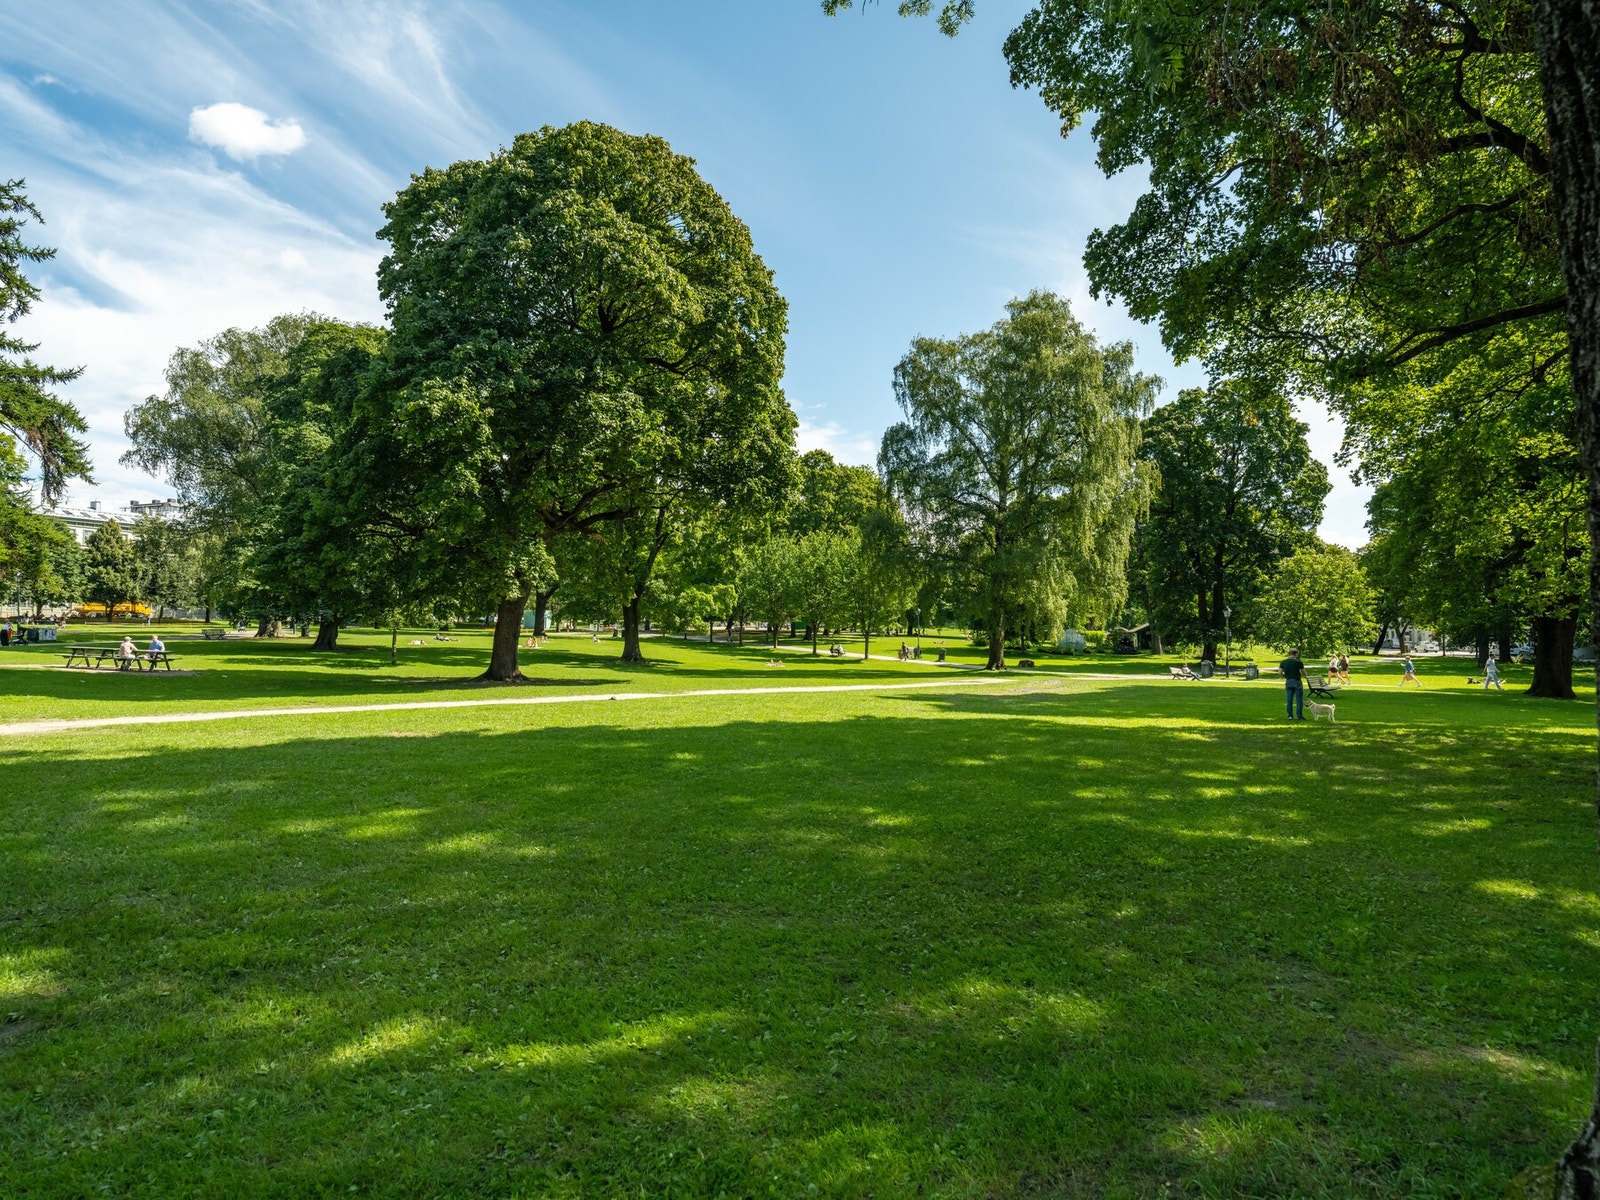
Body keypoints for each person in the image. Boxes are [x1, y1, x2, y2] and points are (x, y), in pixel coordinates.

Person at [1279, 647, 1307, 719]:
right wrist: (1305, 675)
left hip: (1288, 681)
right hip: (1297, 681)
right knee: (1299, 700)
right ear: (1295, 654)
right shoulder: (1298, 662)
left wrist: (1284, 676)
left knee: (1289, 700)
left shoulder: (1283, 662)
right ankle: (1299, 716)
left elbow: (1280, 672)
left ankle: (1290, 715)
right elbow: (1304, 672)